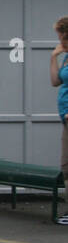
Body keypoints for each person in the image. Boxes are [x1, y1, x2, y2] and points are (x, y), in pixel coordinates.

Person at [51, 16, 68, 223]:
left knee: (67, 165)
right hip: (65, 117)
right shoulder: (65, 56)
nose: (60, 42)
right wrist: (53, 57)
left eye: (63, 39)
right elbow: (55, 81)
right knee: (66, 166)